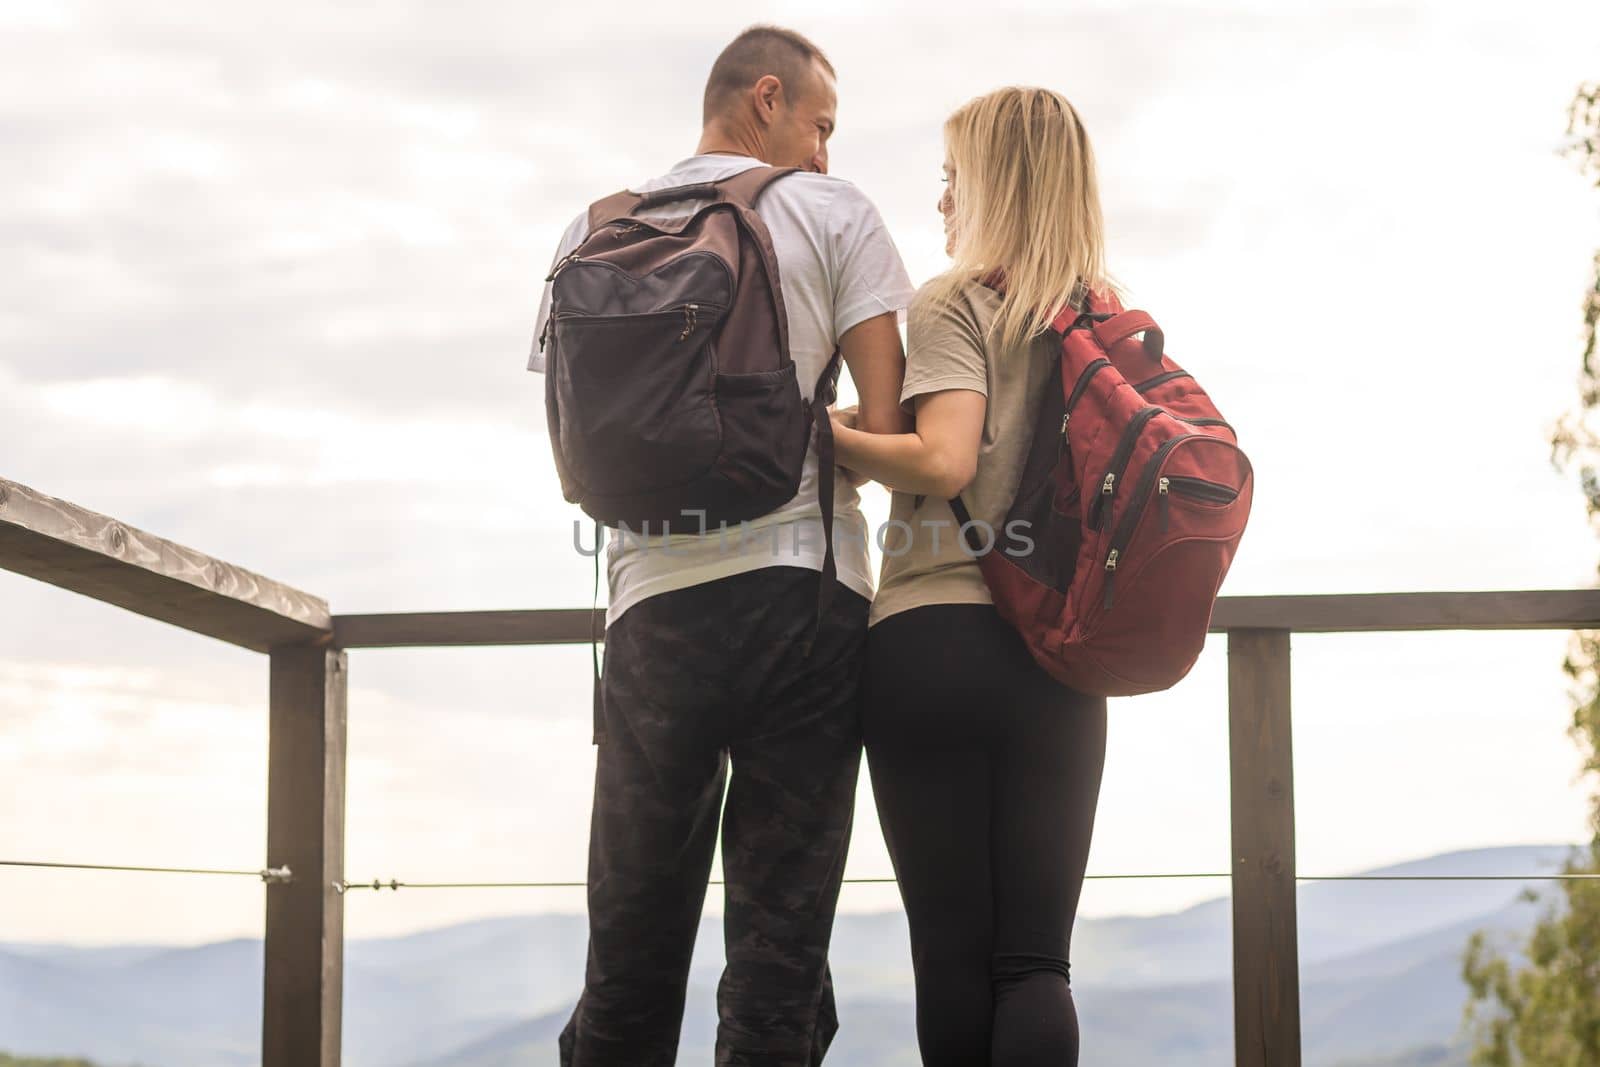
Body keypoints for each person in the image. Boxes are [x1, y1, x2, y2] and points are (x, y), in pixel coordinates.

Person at [526, 25, 915, 1067]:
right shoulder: (834, 213)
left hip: (648, 607)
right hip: (803, 603)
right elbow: (888, 435)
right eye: (820, 125)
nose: (827, 153)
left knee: (629, 950)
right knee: (777, 956)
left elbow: (580, 432)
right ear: (767, 98)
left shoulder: (593, 226)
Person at [829, 86, 1112, 1067]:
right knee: (1036, 962)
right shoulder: (1099, 320)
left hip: (932, 637)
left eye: (955, 178)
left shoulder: (955, 299)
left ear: (994, 184)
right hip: (1060, 658)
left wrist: (828, 433)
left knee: (950, 957)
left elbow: (945, 460)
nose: (943, 201)